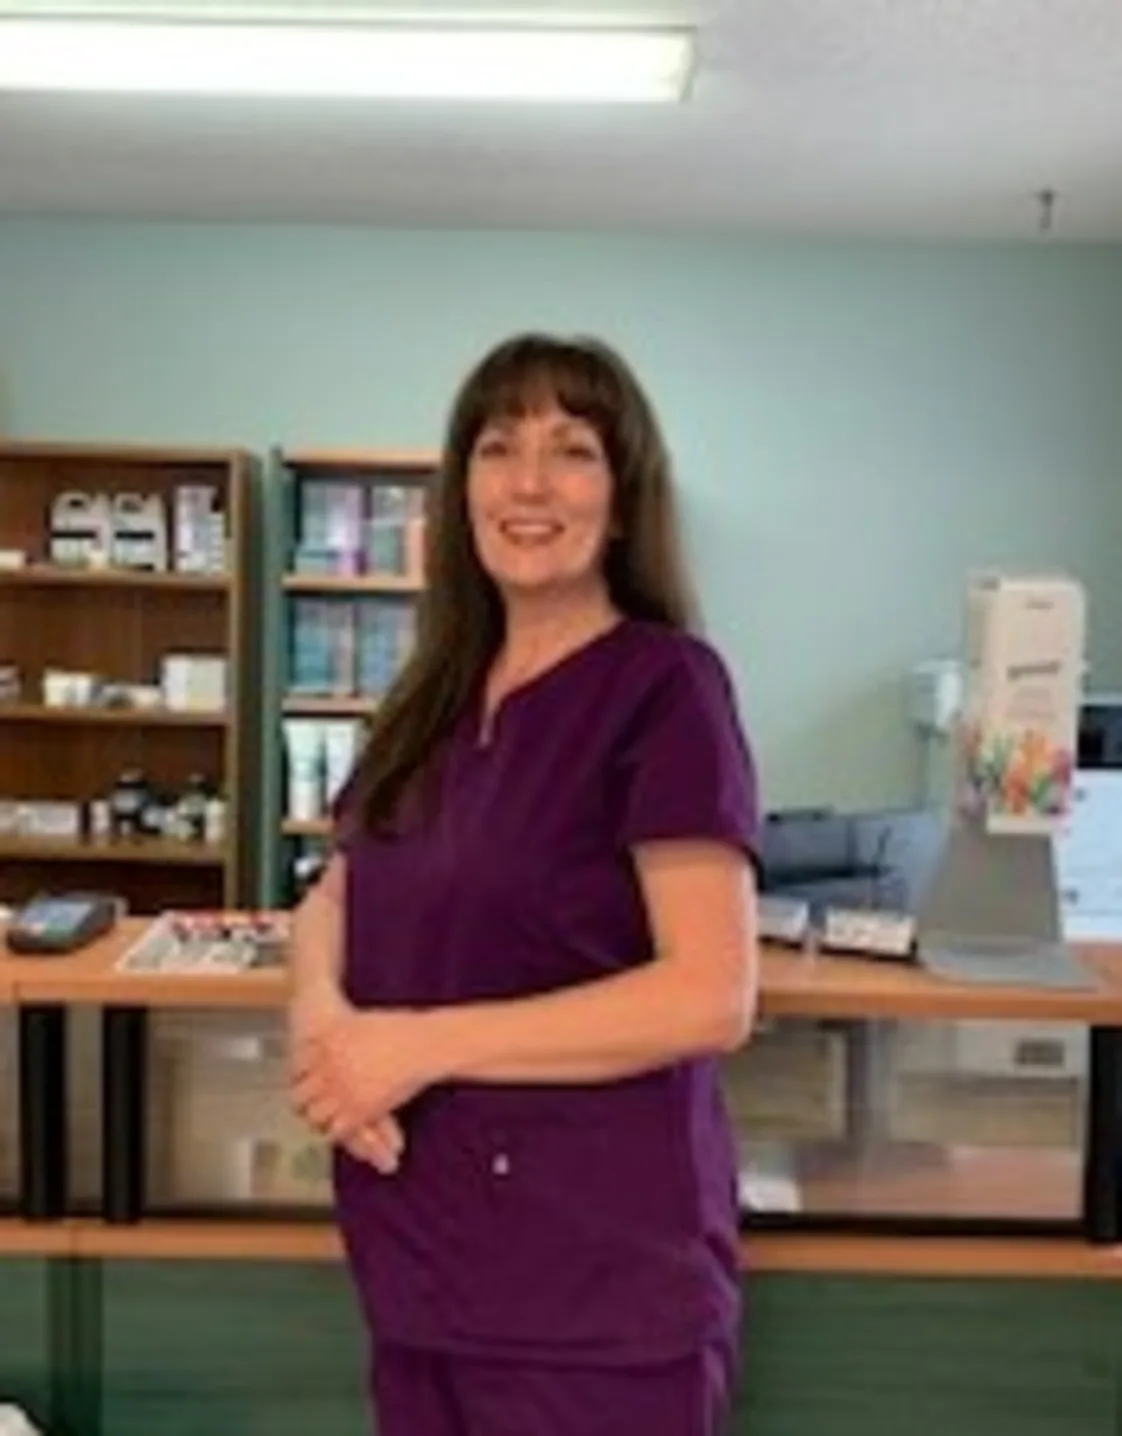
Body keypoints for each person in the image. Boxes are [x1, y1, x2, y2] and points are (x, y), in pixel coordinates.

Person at [288, 332, 761, 1436]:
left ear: (626, 494)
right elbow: (335, 892)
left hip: (596, 1292)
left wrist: (412, 1044)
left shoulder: (665, 688)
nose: (530, 482)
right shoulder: (432, 699)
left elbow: (709, 994)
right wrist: (327, 1033)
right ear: (460, 490)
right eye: (498, 447)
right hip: (420, 1267)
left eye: (573, 449)